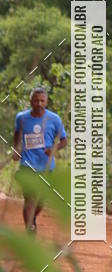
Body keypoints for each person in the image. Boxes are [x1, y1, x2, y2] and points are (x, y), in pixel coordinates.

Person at [12, 87, 67, 232]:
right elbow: (17, 134)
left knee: (41, 201)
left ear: (46, 102)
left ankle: (31, 220)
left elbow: (64, 141)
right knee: (30, 198)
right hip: (27, 165)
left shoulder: (54, 119)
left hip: (46, 167)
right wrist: (16, 149)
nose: (39, 104)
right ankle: (30, 230)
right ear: (31, 102)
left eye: (42, 101)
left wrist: (54, 149)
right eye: (36, 101)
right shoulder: (21, 118)